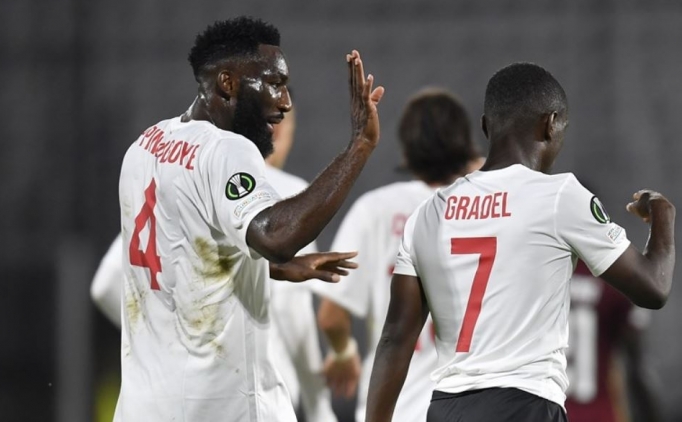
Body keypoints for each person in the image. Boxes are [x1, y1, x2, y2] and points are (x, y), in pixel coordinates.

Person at [365, 62, 675, 422]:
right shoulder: (560, 196)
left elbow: (395, 338)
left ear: (486, 126)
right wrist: (663, 215)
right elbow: (653, 288)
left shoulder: (428, 212)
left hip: (446, 408)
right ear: (551, 123)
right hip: (524, 404)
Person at [115, 16, 384, 422]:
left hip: (143, 406)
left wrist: (268, 267)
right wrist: (359, 145)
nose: (285, 102)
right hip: (220, 405)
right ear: (228, 82)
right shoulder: (225, 149)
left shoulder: (144, 145)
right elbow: (276, 236)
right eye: (274, 83)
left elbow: (180, 251)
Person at [91, 102, 337, 421]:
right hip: (242, 393)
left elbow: (105, 285)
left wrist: (164, 340)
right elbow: (294, 317)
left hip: (160, 392)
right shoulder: (287, 195)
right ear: (276, 130)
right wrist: (319, 407)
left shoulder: (173, 173)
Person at [313, 88, 483, 422]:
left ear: (406, 147)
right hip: (473, 407)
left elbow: (331, 317)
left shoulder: (375, 209)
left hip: (394, 408)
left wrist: (343, 352)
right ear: (467, 144)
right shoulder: (489, 207)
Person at [566, 260, 661, 422]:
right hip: (599, 413)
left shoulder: (537, 272)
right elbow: (639, 371)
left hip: (544, 412)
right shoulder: (618, 272)